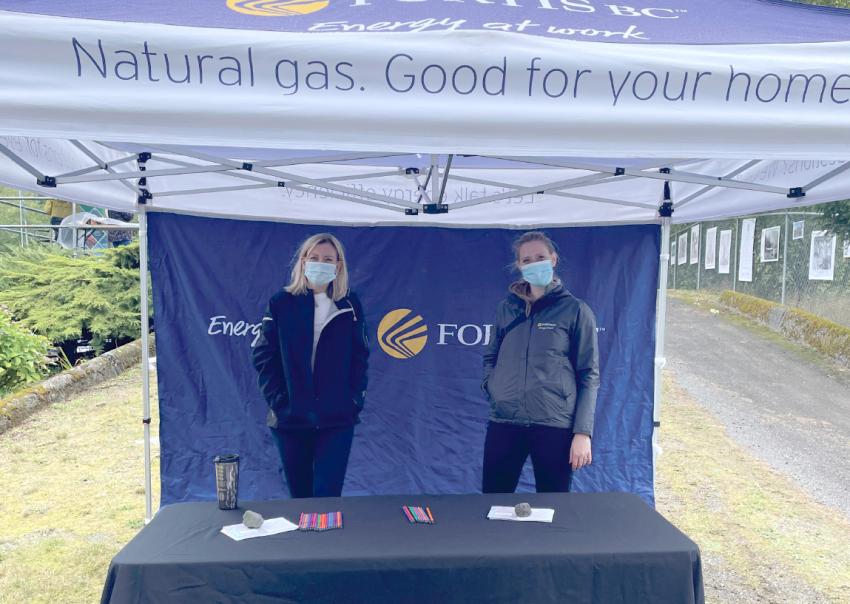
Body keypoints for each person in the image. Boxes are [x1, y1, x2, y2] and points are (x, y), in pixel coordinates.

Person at [482, 231, 600, 493]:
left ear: (553, 259)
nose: (534, 263)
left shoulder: (575, 310)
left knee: (553, 509)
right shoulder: (506, 308)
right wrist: (494, 389)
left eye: (540, 257)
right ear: (519, 265)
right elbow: (491, 356)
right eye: (527, 259)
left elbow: (588, 374)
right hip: (504, 421)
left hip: (553, 425)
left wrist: (582, 433)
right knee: (492, 504)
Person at [252, 233, 369, 498]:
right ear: (303, 261)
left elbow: (360, 358)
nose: (320, 263)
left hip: (336, 420)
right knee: (300, 499)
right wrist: (280, 401)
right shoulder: (281, 302)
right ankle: (303, 541)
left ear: (338, 266)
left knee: (328, 497)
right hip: (291, 419)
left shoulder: (350, 305)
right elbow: (263, 356)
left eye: (328, 259)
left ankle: (328, 541)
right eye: (314, 258)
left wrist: (352, 401)